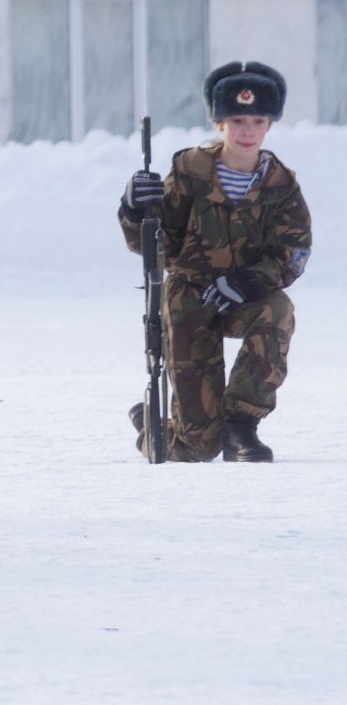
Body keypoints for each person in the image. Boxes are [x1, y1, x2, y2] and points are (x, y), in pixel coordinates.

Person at [120, 61, 312, 462]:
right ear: (219, 123)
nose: (247, 131)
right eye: (237, 119)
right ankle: (151, 427)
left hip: (246, 295)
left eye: (257, 120)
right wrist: (134, 208)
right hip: (191, 298)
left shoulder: (281, 185)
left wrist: (247, 281)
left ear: (269, 127)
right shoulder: (189, 171)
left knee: (278, 311)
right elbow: (156, 247)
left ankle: (242, 425)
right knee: (195, 448)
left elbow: (293, 252)